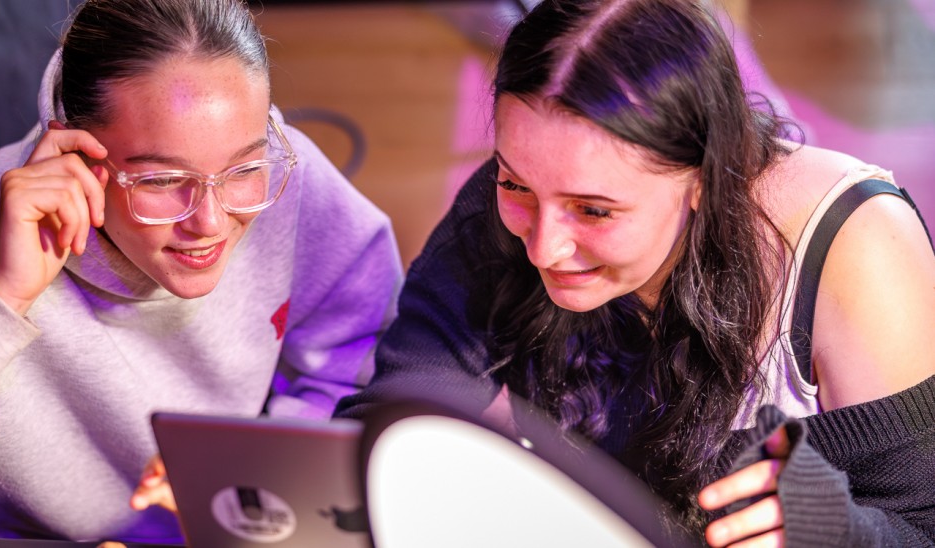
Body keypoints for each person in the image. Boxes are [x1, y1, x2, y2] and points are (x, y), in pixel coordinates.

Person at [0, 0, 402, 545]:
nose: (210, 220)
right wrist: (1, 303)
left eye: (243, 167)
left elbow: (362, 344)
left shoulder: (285, 178)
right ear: (75, 151)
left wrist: (259, 470)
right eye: (161, 180)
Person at [336, 0, 935, 545]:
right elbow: (394, 424)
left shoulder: (855, 246)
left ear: (705, 174)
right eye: (514, 182)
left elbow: (921, 525)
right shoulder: (517, 201)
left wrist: (839, 533)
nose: (544, 247)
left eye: (594, 210)